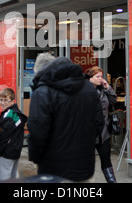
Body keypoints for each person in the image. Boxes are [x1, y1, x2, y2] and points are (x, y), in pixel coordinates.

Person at [28, 54, 103, 182]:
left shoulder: (42, 91)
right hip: (85, 167)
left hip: (54, 169)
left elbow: (37, 132)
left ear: (40, 71)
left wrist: (36, 158)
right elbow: (98, 122)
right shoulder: (89, 88)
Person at [86, 66, 118, 183]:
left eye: (101, 76)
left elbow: (113, 100)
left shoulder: (103, 90)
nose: (100, 79)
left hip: (103, 133)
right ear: (90, 78)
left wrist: (108, 87)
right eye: (97, 76)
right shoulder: (83, 91)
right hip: (88, 133)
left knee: (106, 161)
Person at [0, 88, 27, 181]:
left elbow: (3, 137)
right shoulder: (16, 113)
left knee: (4, 179)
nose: (3, 103)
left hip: (6, 153)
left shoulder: (9, 115)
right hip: (14, 151)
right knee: (13, 178)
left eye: (6, 100)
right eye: (1, 100)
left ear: (12, 101)